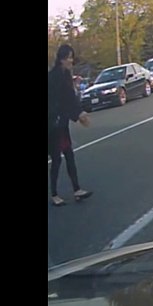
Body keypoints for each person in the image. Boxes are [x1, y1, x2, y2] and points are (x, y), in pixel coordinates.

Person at [47, 44, 93, 206]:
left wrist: (78, 113)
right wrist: (77, 114)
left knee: (69, 155)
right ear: (61, 59)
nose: (71, 61)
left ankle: (77, 189)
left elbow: (70, 98)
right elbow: (61, 100)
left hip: (62, 122)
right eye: (68, 57)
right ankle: (54, 194)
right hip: (53, 124)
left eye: (71, 57)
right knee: (57, 159)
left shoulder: (66, 75)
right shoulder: (53, 77)